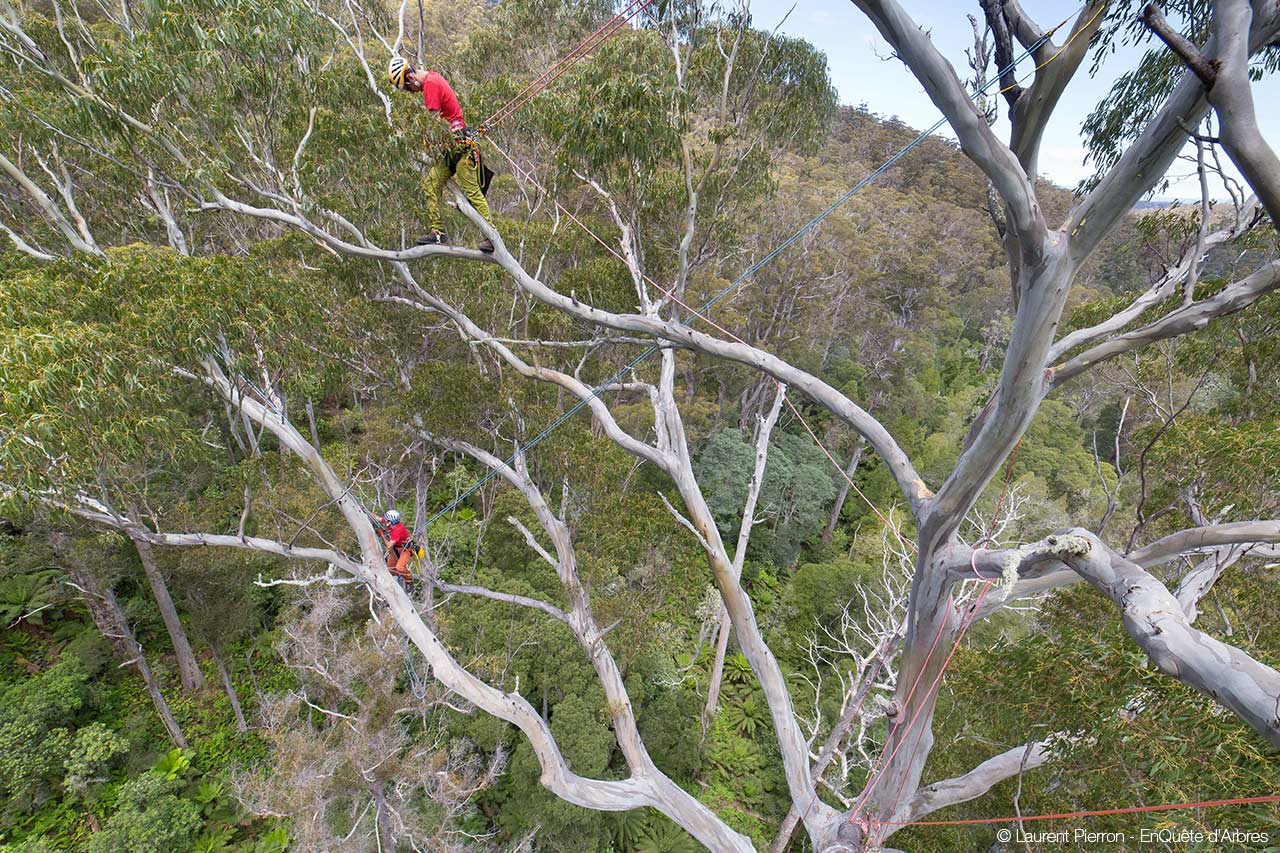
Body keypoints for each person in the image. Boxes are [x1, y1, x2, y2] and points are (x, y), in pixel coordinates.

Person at [388, 56, 496, 253]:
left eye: (407, 88)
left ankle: (492, 236)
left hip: (460, 148)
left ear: (411, 77)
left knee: (472, 192)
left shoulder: (430, 84)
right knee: (431, 183)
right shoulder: (431, 81)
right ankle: (437, 232)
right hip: (450, 147)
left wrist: (418, 144)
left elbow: (432, 125)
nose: (411, 92)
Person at [378, 508, 415, 590]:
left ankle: (409, 579)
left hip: (405, 549)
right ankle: (394, 585)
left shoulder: (397, 530)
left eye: (387, 520)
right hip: (396, 549)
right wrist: (364, 510)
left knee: (399, 568)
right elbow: (379, 519)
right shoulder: (391, 523)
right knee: (390, 569)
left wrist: (382, 535)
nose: (386, 521)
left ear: (391, 521)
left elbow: (388, 545)